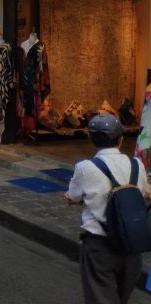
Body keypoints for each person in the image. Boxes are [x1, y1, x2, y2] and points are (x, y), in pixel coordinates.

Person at [66, 114, 150, 304]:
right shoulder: (137, 165)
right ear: (121, 139)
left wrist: (75, 199)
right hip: (132, 248)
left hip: (99, 249)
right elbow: (143, 192)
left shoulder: (85, 168)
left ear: (92, 140)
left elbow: (74, 196)